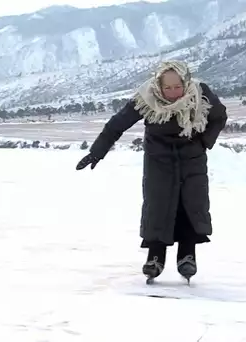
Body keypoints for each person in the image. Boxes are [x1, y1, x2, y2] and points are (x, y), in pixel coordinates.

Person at [75, 60, 228, 282]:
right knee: (158, 206)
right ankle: (155, 257)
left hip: (192, 159)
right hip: (159, 161)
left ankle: (187, 256)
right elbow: (117, 125)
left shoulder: (200, 93)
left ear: (186, 82)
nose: (173, 93)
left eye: (178, 87)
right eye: (167, 88)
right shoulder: (146, 98)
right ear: (158, 85)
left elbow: (219, 116)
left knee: (191, 205)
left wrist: (204, 141)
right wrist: (97, 152)